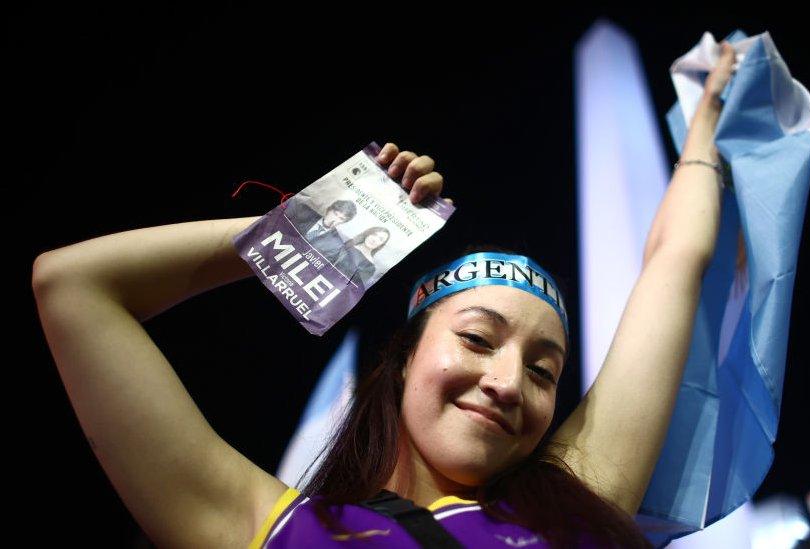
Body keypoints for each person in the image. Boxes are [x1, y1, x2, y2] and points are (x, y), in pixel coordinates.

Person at [31, 41, 736, 548]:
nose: (506, 381)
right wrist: (324, 228)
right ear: (402, 360)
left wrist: (707, 118)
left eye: (544, 369)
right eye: (476, 338)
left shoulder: (578, 507)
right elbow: (73, 286)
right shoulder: (261, 528)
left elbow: (675, 261)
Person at [285, 197, 358, 261]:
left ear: (344, 222)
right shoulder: (304, 213)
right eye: (335, 214)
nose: (335, 219)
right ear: (328, 210)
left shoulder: (335, 245)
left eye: (341, 218)